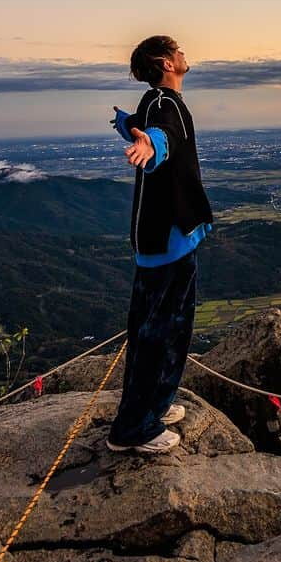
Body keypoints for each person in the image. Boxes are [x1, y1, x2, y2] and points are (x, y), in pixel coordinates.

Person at [105, 36, 213, 453]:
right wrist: (148, 143)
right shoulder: (163, 105)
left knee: (170, 328)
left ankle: (155, 405)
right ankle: (133, 429)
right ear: (165, 62)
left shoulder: (160, 101)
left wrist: (125, 125)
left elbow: (143, 125)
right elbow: (158, 136)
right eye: (179, 49)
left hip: (174, 238)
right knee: (157, 332)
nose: (185, 54)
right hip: (166, 237)